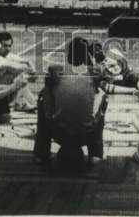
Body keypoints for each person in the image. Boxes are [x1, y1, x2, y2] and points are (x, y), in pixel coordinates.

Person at [33, 36, 108, 169]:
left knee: (42, 97)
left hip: (59, 132)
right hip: (86, 134)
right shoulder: (95, 72)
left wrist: (50, 114)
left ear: (68, 54)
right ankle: (95, 152)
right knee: (103, 97)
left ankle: (41, 152)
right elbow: (101, 73)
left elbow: (46, 98)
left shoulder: (55, 71)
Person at [0, 31, 37, 111]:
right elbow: (17, 68)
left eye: (9, 46)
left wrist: (32, 71)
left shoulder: (8, 56)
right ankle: (18, 103)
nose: (8, 49)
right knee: (20, 76)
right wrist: (30, 72)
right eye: (4, 46)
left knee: (22, 76)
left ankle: (24, 102)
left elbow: (27, 62)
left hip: (6, 89)